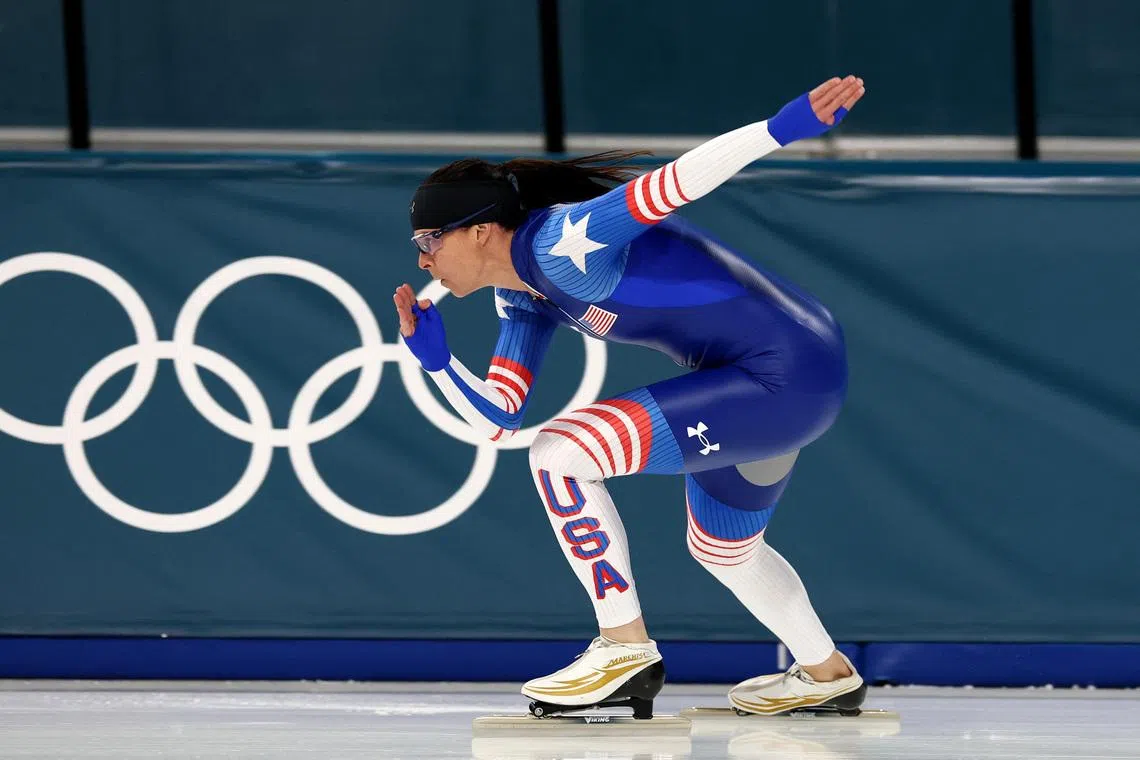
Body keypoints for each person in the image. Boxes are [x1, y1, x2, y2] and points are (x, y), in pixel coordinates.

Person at [393, 76, 867, 718]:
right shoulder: (523, 294)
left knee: (561, 452)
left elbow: (672, 184)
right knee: (725, 549)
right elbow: (501, 419)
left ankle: (623, 647)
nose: (423, 260)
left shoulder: (562, 243)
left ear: (479, 231)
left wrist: (777, 130)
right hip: (774, 377)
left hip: (780, 373)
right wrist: (439, 363)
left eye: (429, 240)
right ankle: (826, 673)